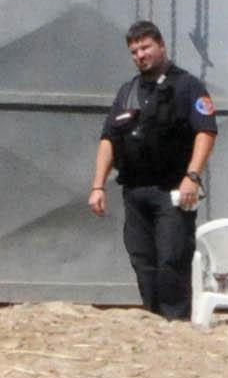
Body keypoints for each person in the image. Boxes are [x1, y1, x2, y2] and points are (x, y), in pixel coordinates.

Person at [88, 20, 216, 320]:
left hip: (172, 191)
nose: (140, 55)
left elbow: (206, 131)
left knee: (172, 258)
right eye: (134, 51)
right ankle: (155, 318)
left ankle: (177, 321)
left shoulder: (187, 86)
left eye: (145, 47)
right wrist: (98, 185)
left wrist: (193, 176)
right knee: (142, 259)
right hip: (135, 190)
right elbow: (109, 139)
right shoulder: (128, 91)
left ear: (161, 46)